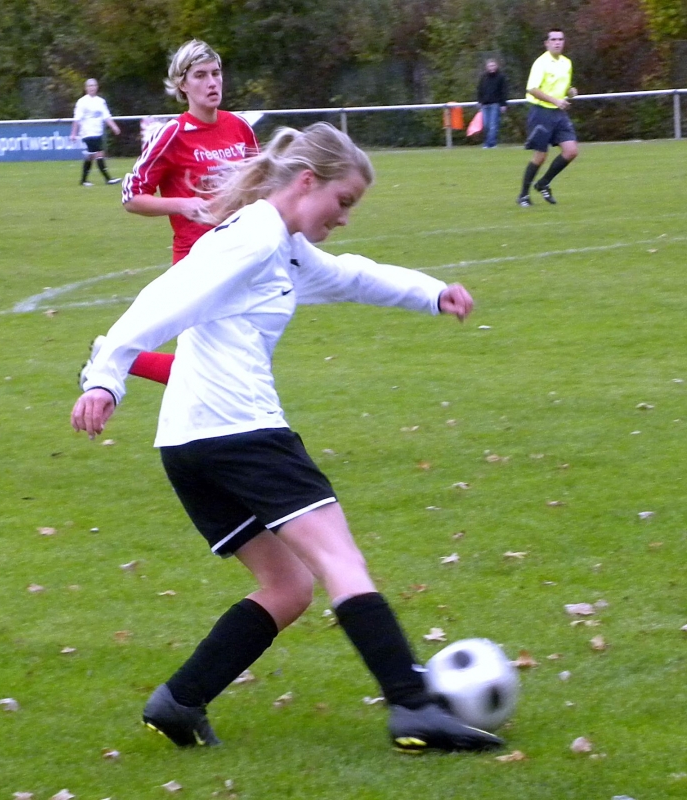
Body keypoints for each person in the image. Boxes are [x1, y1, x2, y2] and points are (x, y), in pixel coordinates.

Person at [71, 122, 503, 755]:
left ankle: (180, 701)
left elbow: (351, 276)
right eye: (343, 201)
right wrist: (106, 377)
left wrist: (431, 293)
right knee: (340, 561)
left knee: (289, 587)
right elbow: (164, 298)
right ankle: (412, 708)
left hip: (190, 444)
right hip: (240, 432)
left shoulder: (280, 245)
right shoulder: (251, 238)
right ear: (307, 182)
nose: (345, 217)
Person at [122, 39, 260, 265]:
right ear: (182, 84)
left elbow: (261, 185)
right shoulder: (172, 134)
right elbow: (132, 198)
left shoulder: (240, 126)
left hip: (242, 255)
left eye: (216, 73)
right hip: (196, 262)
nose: (212, 82)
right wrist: (183, 205)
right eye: (200, 75)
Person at [517, 29, 578, 207]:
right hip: (541, 112)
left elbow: (562, 87)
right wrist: (555, 101)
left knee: (571, 151)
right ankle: (523, 195)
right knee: (540, 156)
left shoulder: (566, 63)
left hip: (558, 113)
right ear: (547, 43)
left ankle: (543, 183)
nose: (557, 42)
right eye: (553, 39)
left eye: (560, 39)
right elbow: (533, 89)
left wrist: (570, 91)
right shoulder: (541, 63)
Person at [70, 79, 122, 187]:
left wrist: (114, 126)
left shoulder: (100, 101)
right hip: (87, 133)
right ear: (86, 88)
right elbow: (77, 119)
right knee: (99, 153)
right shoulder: (82, 102)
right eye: (89, 86)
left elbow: (106, 116)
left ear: (97, 87)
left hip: (97, 132)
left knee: (90, 156)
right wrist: (73, 133)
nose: (92, 88)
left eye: (93, 85)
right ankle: (108, 179)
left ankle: (83, 180)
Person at [476, 59, 508, 149]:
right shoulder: (483, 77)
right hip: (485, 104)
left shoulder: (501, 77)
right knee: (486, 125)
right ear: (487, 67)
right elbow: (480, 90)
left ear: (496, 66)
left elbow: (504, 91)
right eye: (490, 66)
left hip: (495, 104)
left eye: (493, 65)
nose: (492, 67)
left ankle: (492, 144)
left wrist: (503, 104)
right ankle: (486, 143)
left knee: (493, 125)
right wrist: (479, 101)